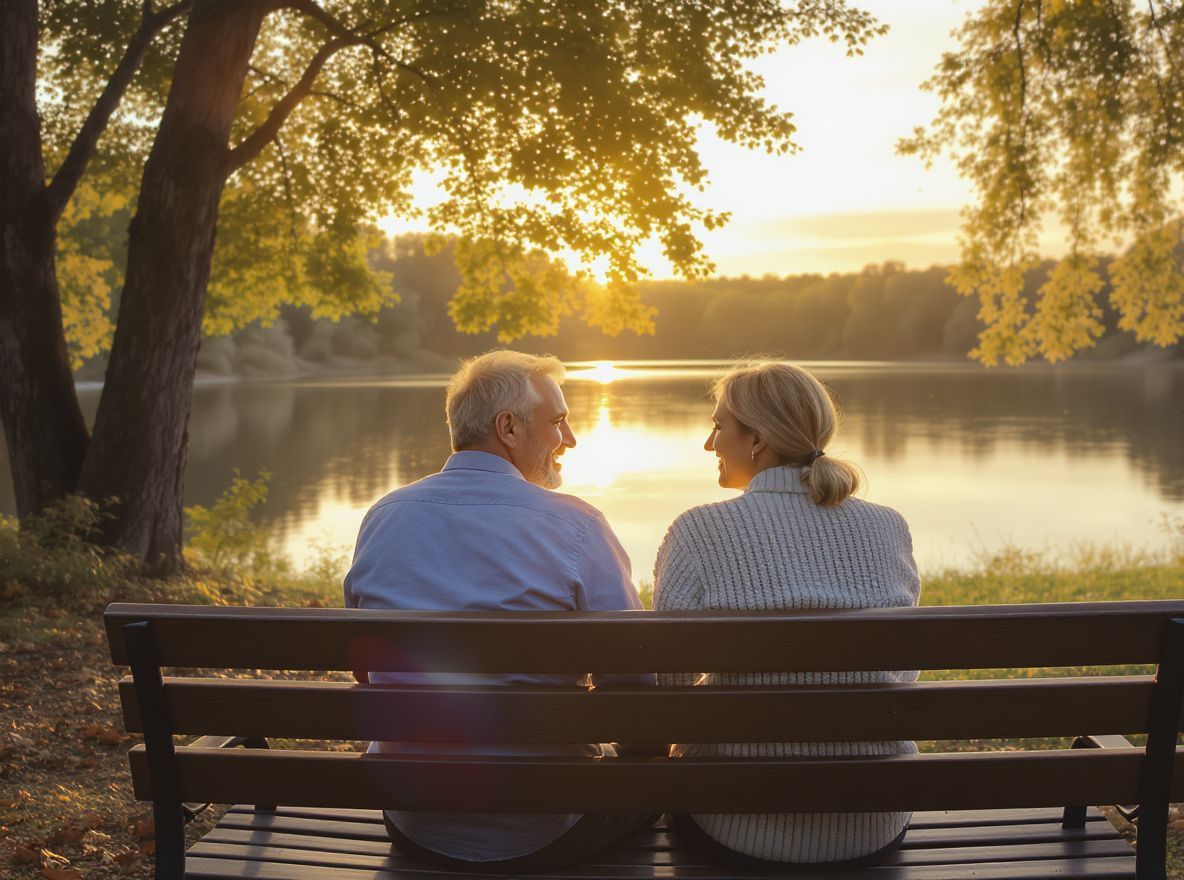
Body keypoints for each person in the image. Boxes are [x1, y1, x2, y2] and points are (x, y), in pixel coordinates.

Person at [344, 349, 655, 872]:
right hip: (548, 829)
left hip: (414, 822)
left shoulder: (384, 516)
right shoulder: (577, 526)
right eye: (557, 422)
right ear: (507, 427)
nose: (570, 439)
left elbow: (365, 668)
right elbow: (637, 694)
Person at [653, 360, 921, 870]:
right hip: (873, 822)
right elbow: (900, 672)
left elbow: (674, 686)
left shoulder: (698, 532)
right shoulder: (887, 527)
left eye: (718, 427)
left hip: (733, 826)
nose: (710, 444)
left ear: (756, 439)